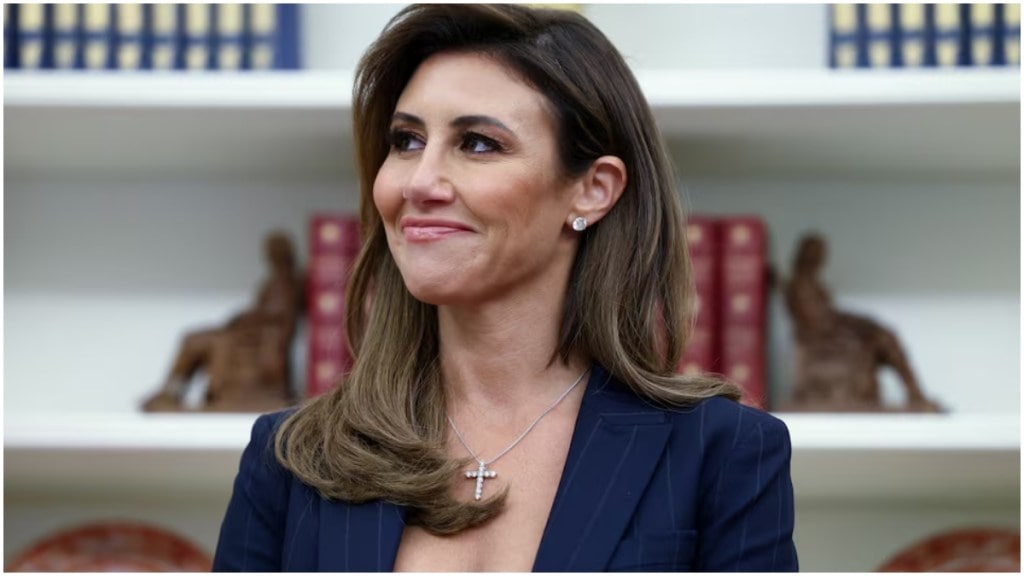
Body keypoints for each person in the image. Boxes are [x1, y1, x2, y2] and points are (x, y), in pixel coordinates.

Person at [213, 4, 798, 572]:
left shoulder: (724, 452)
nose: (419, 182)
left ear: (592, 190)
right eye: (406, 141)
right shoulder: (289, 458)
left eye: (478, 143)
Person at [142, 231, 301, 412]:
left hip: (256, 337)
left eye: (278, 250)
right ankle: (171, 392)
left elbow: (274, 316)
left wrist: (245, 320)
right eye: (272, 251)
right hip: (246, 331)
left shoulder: (289, 282)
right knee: (193, 339)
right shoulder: (274, 281)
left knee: (197, 340)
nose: (274, 255)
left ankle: (171, 392)